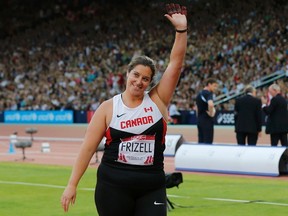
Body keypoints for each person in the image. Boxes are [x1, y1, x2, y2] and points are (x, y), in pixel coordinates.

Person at [61, 3, 187, 216]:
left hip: (151, 187)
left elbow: (175, 65)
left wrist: (181, 30)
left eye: (145, 79)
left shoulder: (157, 100)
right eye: (136, 75)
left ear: (149, 82)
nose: (139, 82)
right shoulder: (108, 108)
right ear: (127, 74)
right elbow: (87, 148)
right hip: (113, 187)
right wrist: (72, 184)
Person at [195, 78, 218, 144]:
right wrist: (211, 113)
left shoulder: (199, 94)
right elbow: (210, 104)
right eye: (214, 86)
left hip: (200, 120)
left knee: (201, 141)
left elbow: (196, 108)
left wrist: (198, 118)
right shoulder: (208, 93)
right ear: (209, 84)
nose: (215, 88)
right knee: (208, 141)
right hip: (207, 120)